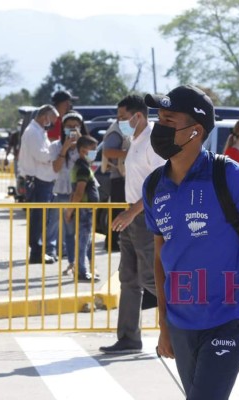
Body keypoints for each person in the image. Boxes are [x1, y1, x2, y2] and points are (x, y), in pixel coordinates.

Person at [143, 85, 239, 399]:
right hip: (182, 322)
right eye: (159, 119)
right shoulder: (154, 186)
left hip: (230, 316)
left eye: (169, 121)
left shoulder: (231, 177)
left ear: (195, 132)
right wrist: (164, 324)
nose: (159, 127)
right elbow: (160, 257)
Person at [99, 95, 164, 353]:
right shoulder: (134, 141)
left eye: (124, 118)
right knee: (128, 278)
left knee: (152, 279)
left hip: (145, 217)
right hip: (131, 215)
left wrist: (133, 212)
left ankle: (186, 327)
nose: (120, 122)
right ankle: (129, 338)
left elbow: (160, 185)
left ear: (139, 116)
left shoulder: (152, 141)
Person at [18, 104, 60, 264]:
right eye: (53, 120)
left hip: (42, 180)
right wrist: (56, 152)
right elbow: (42, 156)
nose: (53, 123)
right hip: (37, 181)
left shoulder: (39, 132)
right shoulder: (33, 132)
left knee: (42, 217)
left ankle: (38, 251)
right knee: (38, 217)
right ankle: (36, 252)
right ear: (45, 116)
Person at [48, 111, 84, 273]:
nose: (72, 129)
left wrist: (81, 145)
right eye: (69, 126)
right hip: (63, 192)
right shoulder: (55, 146)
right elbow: (56, 168)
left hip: (83, 193)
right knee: (68, 230)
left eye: (75, 126)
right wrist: (65, 148)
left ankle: (84, 265)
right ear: (63, 128)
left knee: (84, 230)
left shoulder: (87, 144)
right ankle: (71, 262)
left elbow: (91, 164)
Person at [64, 135, 101, 282]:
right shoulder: (83, 169)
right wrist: (70, 210)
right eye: (92, 149)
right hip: (84, 210)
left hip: (84, 210)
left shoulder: (80, 166)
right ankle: (81, 271)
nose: (95, 152)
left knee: (85, 241)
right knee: (83, 242)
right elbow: (79, 192)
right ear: (82, 150)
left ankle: (84, 269)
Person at [101, 120, 129, 252]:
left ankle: (116, 241)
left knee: (122, 211)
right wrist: (131, 154)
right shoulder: (117, 130)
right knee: (118, 211)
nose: (122, 117)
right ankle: (112, 242)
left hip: (127, 178)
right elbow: (108, 152)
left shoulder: (129, 129)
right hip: (120, 178)